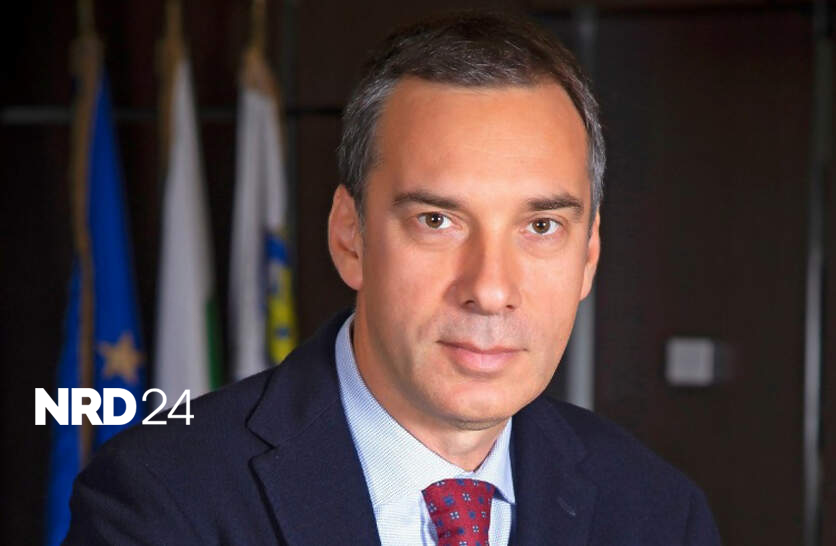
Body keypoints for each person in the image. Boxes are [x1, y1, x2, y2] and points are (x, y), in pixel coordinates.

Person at [65, 10, 722, 546]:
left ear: (589, 255)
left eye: (541, 226)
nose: (491, 289)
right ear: (349, 236)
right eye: (437, 221)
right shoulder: (165, 498)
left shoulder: (659, 514)